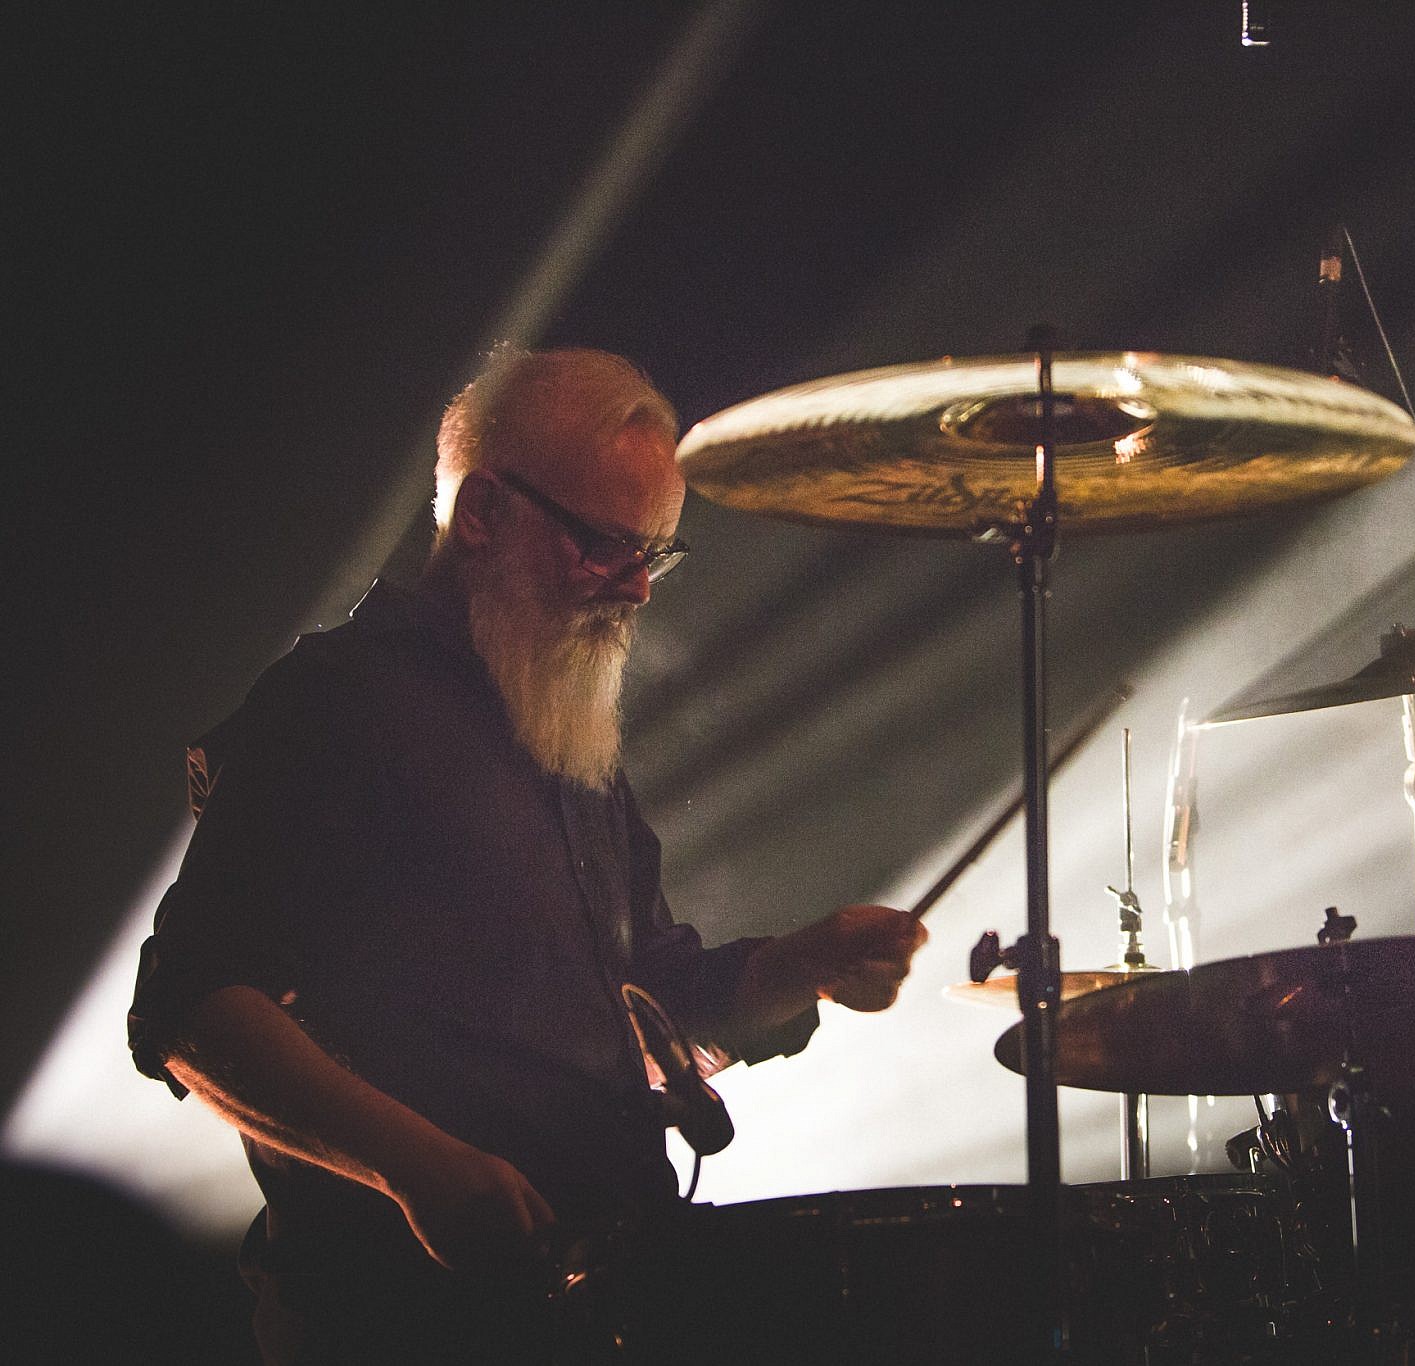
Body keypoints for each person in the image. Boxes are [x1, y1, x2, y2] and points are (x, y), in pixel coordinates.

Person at [127, 346, 928, 1364]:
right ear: (483, 515)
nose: (637, 589)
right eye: (607, 547)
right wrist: (414, 1168)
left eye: (655, 555)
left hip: (591, 1307)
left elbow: (644, 1001)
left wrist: (797, 967)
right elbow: (193, 1006)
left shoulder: (556, 725)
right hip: (403, 1328)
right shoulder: (333, 704)